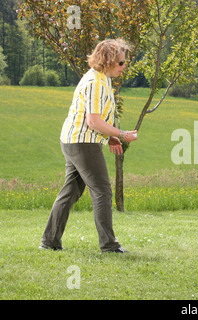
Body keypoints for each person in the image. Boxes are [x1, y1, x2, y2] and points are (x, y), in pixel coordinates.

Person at [39, 39, 137, 253]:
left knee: (71, 191)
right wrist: (121, 134)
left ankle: (50, 241)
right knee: (102, 190)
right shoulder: (95, 82)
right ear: (109, 60)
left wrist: (110, 137)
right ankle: (109, 246)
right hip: (83, 143)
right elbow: (93, 121)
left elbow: (96, 117)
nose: (124, 66)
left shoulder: (101, 79)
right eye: (121, 62)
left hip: (76, 141)